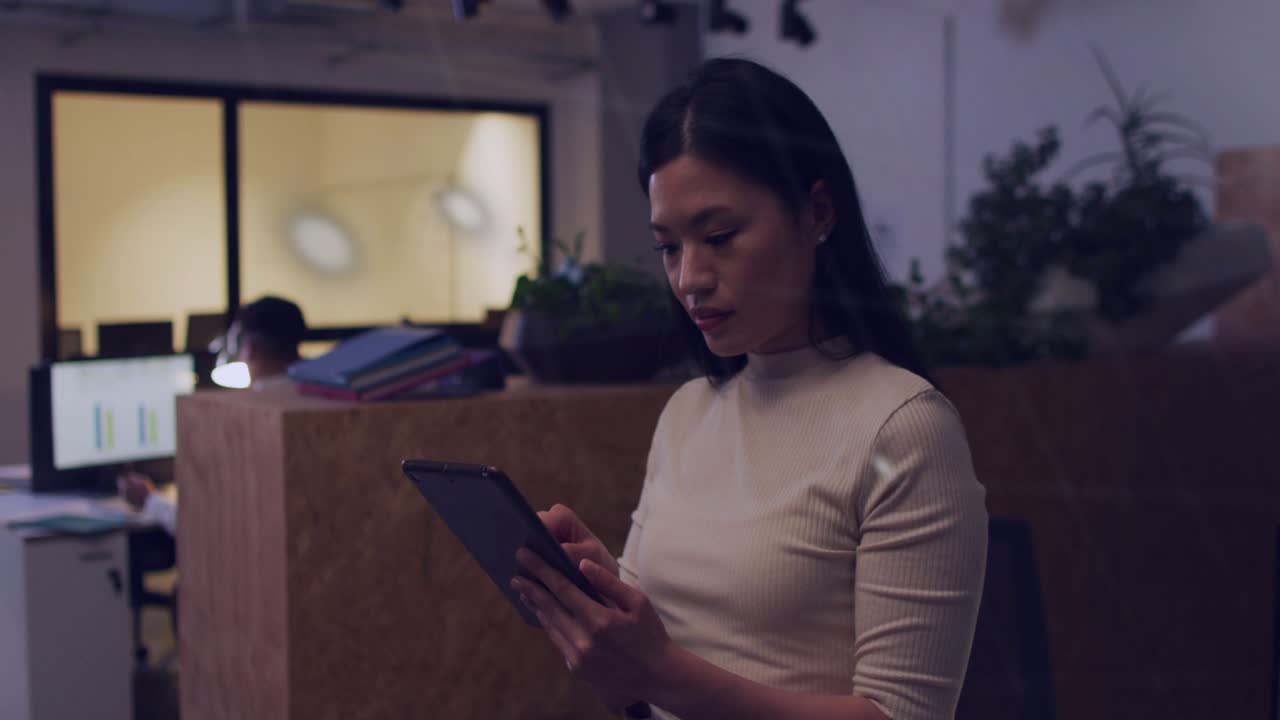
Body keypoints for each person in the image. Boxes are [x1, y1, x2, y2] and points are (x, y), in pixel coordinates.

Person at [509, 59, 988, 720]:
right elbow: (637, 689)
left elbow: (902, 715)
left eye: (720, 237)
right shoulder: (687, 412)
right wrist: (594, 608)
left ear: (817, 211)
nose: (690, 279)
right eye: (668, 247)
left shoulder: (903, 428)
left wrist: (661, 671)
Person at [118, 296, 307, 534]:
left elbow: (205, 526)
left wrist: (150, 501)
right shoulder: (318, 401)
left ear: (249, 349)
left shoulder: (244, 419)